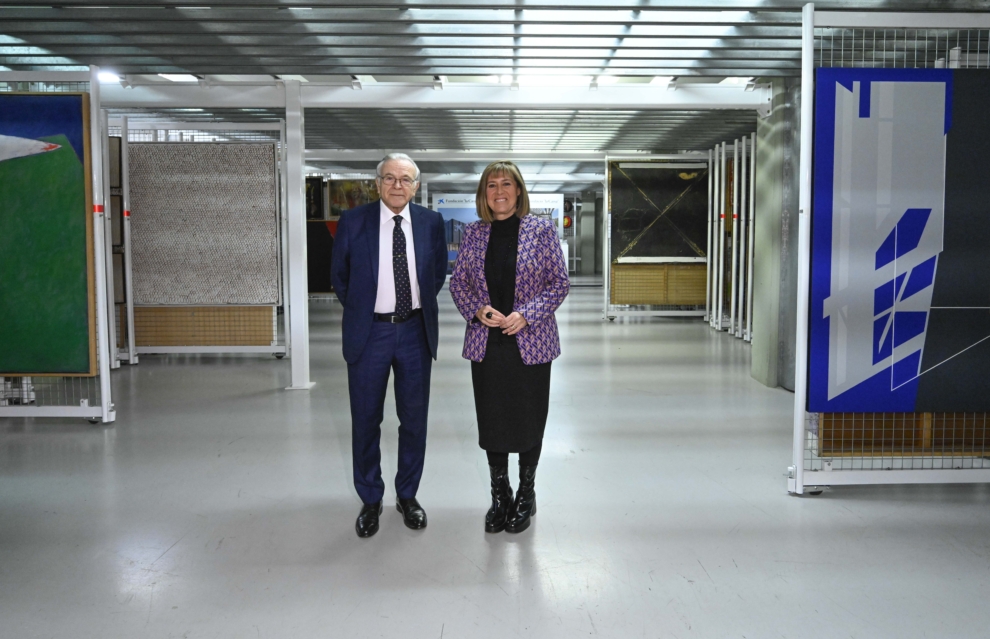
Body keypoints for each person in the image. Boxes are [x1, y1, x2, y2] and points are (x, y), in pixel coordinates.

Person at [331, 153, 448, 538]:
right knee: (366, 420)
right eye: (390, 178)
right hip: (370, 334)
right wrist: (370, 311)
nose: (398, 186)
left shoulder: (431, 223)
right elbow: (340, 278)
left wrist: (406, 310)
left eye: (406, 179)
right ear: (377, 182)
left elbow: (434, 277)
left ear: (417, 185)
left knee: (414, 421)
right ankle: (370, 498)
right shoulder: (353, 222)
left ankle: (408, 495)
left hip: (415, 332)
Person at [449, 161, 570, 534]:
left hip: (530, 342)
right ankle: (499, 495)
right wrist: (478, 310)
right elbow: (458, 284)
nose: (499, 191)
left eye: (506, 184)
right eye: (491, 186)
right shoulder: (473, 234)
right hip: (487, 344)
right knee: (493, 420)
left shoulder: (541, 230)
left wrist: (527, 314)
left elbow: (559, 283)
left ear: (518, 190)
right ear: (483, 194)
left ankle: (526, 494)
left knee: (529, 419)